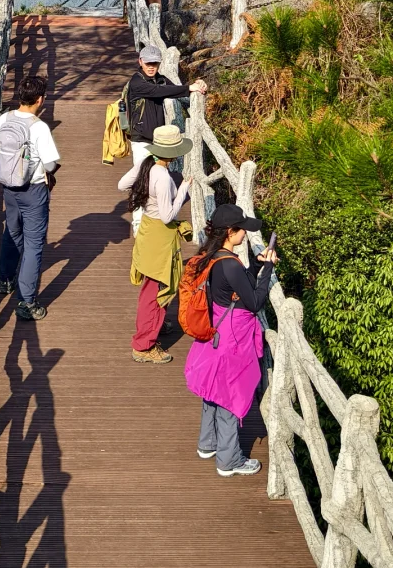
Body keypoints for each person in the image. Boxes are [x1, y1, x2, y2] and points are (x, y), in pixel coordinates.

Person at [183, 203, 277, 476]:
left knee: (211, 390)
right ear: (230, 232)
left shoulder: (211, 256)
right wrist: (268, 269)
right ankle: (229, 460)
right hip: (232, 337)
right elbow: (255, 302)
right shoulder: (230, 264)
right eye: (242, 230)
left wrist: (255, 267)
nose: (245, 235)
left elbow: (233, 289)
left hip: (215, 330)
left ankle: (207, 443)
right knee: (228, 396)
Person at [117, 124, 194, 364]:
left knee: (150, 288)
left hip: (147, 231)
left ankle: (151, 329)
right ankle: (144, 345)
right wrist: (183, 189)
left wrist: (145, 195)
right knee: (156, 291)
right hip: (160, 237)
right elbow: (168, 215)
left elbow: (122, 185)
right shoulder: (161, 176)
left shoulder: (146, 163)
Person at [0, 72, 61, 321]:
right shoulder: (39, 127)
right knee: (33, 245)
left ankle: (6, 280)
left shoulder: (5, 118)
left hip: (8, 189)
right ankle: (26, 301)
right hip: (33, 191)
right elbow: (51, 165)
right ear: (40, 100)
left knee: (12, 232)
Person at [125, 44, 207, 167]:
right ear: (140, 61)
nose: (151, 67)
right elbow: (157, 91)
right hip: (141, 139)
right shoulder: (136, 82)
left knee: (157, 175)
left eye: (155, 64)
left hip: (159, 140)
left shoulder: (160, 79)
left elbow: (174, 90)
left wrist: (199, 85)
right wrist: (189, 88)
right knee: (141, 176)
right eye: (148, 63)